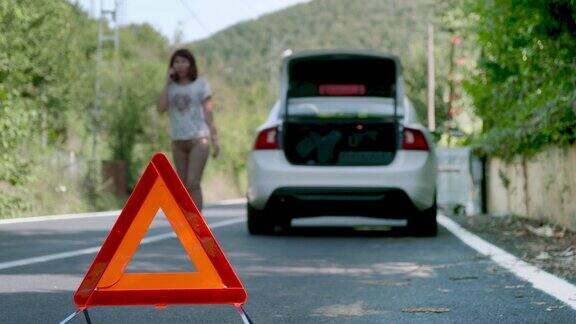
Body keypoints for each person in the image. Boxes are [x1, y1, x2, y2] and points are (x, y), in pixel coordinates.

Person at [157, 48, 219, 210]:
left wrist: (214, 138)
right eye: (176, 62)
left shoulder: (201, 84)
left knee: (193, 182)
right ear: (172, 66)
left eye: (184, 61)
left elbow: (208, 111)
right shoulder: (171, 88)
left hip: (199, 140)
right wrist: (166, 82)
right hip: (178, 142)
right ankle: (186, 227)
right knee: (182, 187)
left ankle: (197, 228)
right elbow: (161, 108)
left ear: (191, 64)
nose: (180, 65)